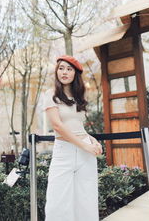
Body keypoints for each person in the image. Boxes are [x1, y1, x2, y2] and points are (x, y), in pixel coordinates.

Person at [43, 55, 102, 221]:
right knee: (57, 202)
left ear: (76, 74)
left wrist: (92, 140)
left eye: (69, 69)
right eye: (61, 68)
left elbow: (78, 127)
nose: (64, 72)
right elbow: (58, 126)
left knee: (86, 200)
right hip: (64, 151)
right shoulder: (51, 94)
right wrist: (85, 146)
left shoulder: (78, 98)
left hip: (85, 151)